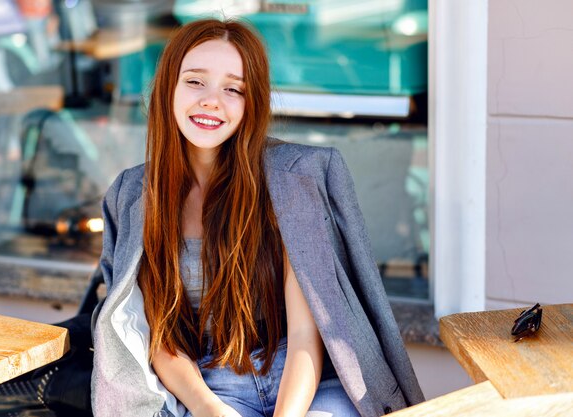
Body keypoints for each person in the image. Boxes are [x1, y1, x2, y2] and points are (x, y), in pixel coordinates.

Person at [91, 18, 424, 417]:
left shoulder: (289, 182)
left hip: (304, 380)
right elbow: (160, 338)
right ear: (169, 89)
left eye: (233, 89)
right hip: (210, 386)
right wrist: (211, 410)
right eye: (196, 81)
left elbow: (306, 334)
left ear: (252, 103)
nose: (212, 100)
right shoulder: (137, 196)